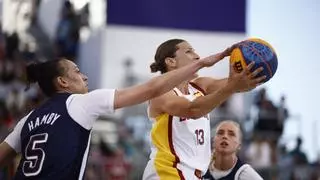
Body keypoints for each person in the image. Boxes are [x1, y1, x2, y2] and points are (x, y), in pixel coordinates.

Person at [0, 51, 230, 180]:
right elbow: (150, 90)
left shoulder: (27, 120)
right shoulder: (81, 103)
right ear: (63, 82)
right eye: (77, 72)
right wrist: (199, 64)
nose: (85, 77)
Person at [142, 39, 265, 180]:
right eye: (189, 51)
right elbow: (193, 110)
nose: (197, 56)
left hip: (193, 174)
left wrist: (253, 70)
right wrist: (232, 86)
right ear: (171, 61)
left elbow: (241, 85)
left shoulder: (200, 86)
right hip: (166, 171)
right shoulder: (161, 92)